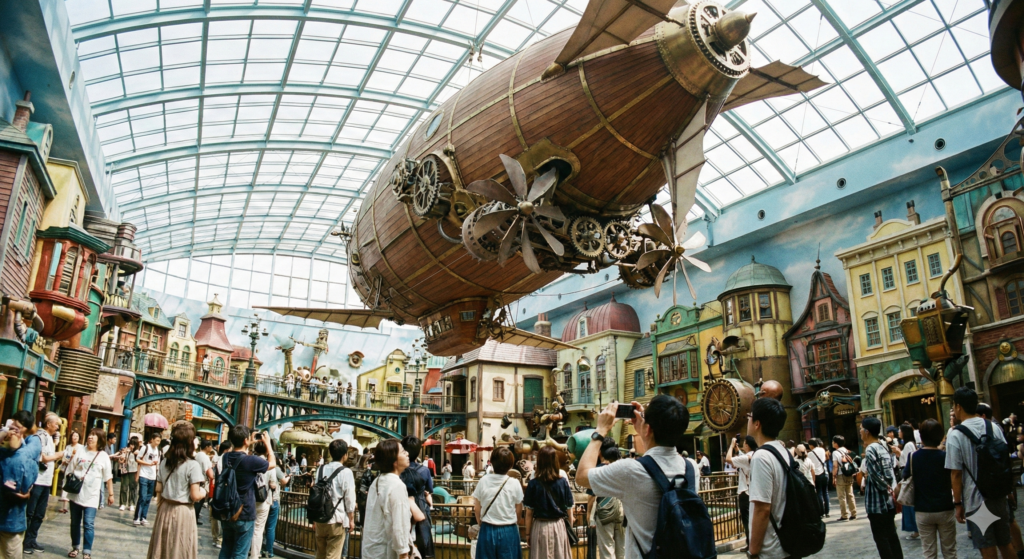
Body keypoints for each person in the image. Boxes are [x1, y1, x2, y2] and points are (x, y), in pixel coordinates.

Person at [576, 396, 690, 559]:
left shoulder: (631, 470)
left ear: (649, 429)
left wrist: (600, 431)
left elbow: (581, 476)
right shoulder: (691, 468)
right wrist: (645, 427)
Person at [947, 387, 1015, 559]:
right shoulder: (993, 427)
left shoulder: (955, 435)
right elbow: (1004, 459)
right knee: (1005, 542)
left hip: (977, 500)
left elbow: (956, 474)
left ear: (958, 406)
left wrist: (957, 504)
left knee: (987, 546)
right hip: (999, 495)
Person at [147, 423, 207, 559]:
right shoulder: (193, 465)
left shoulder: (164, 462)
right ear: (189, 442)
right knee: (180, 549)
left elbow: (158, 488)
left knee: (162, 550)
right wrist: (204, 491)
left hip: (165, 509)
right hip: (183, 512)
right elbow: (195, 495)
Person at [902, 419, 956, 559]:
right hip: (945, 507)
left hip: (923, 510)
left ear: (921, 436)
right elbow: (954, 478)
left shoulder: (913, 457)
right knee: (950, 551)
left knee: (929, 553)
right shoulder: (945, 456)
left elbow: (905, 477)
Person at [219, 428, 275, 559]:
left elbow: (239, 450)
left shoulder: (226, 457)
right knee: (240, 553)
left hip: (228, 510)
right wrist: (268, 444)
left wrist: (246, 442)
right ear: (246, 440)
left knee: (226, 550)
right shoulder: (251, 461)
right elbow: (272, 463)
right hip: (244, 512)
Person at [744, 397, 789, 559]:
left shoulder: (761, 457)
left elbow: (762, 509)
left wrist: (753, 551)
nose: (747, 420)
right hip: (786, 543)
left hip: (771, 549)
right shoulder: (783, 452)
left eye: (750, 417)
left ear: (757, 424)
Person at [0, 410, 42, 559]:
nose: (12, 433)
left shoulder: (25, 454)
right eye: (11, 428)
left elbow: (23, 487)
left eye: (17, 429)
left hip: (12, 521)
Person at [67, 428, 114, 559]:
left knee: (88, 523)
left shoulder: (103, 456)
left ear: (100, 439)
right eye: (89, 434)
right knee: (75, 522)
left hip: (92, 495)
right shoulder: (81, 451)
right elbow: (70, 469)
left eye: (94, 435)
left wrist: (110, 494)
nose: (90, 437)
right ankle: (75, 547)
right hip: (76, 493)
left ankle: (87, 551)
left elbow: (108, 477)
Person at [361, 439, 412, 559]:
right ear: (394, 460)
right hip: (386, 553)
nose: (407, 454)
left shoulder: (377, 482)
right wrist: (404, 554)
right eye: (403, 452)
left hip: (371, 552)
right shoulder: (397, 486)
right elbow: (400, 527)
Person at [861, 416, 903, 559]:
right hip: (889, 502)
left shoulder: (871, 449)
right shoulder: (883, 446)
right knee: (891, 535)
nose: (860, 431)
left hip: (878, 503)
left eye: (861, 428)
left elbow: (875, 475)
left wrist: (886, 487)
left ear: (867, 431)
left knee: (882, 539)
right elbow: (889, 471)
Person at [472, 446, 524, 559]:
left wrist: (480, 522)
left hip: (487, 528)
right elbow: (519, 509)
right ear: (510, 465)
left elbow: (477, 507)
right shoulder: (514, 483)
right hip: (509, 529)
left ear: (492, 463)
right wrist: (516, 522)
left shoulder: (483, 481)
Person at [523, 445, 574, 559]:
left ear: (539, 461)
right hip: (559, 526)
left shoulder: (533, 484)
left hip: (540, 527)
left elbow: (529, 513)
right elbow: (570, 511)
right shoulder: (563, 482)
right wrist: (569, 528)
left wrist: (527, 534)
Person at [23, 413, 61, 555]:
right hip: (38, 480)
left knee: (39, 513)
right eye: (56, 424)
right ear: (49, 424)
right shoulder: (41, 437)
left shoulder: (50, 438)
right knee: (30, 512)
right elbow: (44, 457)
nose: (57, 427)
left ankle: (32, 539)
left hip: (46, 481)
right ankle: (25, 540)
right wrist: (59, 454)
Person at [311, 439, 355, 559]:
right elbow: (349, 498)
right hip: (337, 519)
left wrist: (314, 519)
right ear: (345, 455)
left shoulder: (320, 469)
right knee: (333, 556)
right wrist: (351, 519)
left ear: (330, 453)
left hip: (320, 519)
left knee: (320, 554)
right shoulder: (346, 472)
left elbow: (316, 494)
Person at [585, 439, 624, 559]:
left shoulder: (598, 471)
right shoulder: (622, 469)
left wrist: (589, 516)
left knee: (607, 549)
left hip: (605, 512)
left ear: (600, 452)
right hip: (622, 511)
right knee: (622, 550)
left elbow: (592, 497)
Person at [400, 436, 434, 559]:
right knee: (425, 544)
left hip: (403, 507)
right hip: (420, 507)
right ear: (419, 451)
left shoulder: (399, 470)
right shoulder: (424, 471)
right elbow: (430, 490)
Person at [726, 435, 758, 552]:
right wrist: (737, 449)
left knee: (746, 519)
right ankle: (752, 543)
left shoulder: (746, 457)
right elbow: (741, 458)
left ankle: (751, 544)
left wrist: (731, 445)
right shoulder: (754, 455)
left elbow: (729, 459)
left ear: (747, 445)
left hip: (745, 491)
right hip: (753, 490)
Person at [249, 439, 276, 559]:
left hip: (250, 498)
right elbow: (273, 484)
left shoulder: (249, 461)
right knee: (258, 530)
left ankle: (246, 551)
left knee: (248, 526)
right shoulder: (269, 464)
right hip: (264, 500)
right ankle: (255, 555)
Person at [264, 455, 290, 558]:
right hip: (273, 500)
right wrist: (288, 476)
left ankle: (255, 548)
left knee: (259, 527)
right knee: (270, 528)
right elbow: (283, 481)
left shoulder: (262, 466)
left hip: (262, 500)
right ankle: (268, 551)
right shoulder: (276, 469)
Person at [135, 432, 162, 526]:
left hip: (152, 476)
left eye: (159, 441)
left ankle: (143, 517)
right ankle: (137, 517)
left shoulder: (158, 451)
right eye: (157, 440)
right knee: (142, 496)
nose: (158, 442)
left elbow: (157, 462)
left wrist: (155, 463)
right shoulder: (145, 447)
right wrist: (147, 464)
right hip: (144, 474)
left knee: (148, 498)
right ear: (152, 439)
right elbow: (138, 459)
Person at [898, 423, 919, 539]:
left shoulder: (908, 445)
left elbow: (909, 460)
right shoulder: (907, 445)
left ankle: (916, 529)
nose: (898, 432)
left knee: (909, 502)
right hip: (906, 474)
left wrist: (899, 453)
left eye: (900, 430)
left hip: (909, 476)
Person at [832, 435, 858, 521]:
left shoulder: (835, 453)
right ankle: (853, 513)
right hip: (849, 475)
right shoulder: (847, 450)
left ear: (836, 443)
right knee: (850, 495)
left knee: (841, 496)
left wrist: (833, 476)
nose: (832, 443)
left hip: (840, 475)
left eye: (833, 442)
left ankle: (844, 514)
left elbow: (835, 466)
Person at [807, 438, 829, 518]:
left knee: (819, 493)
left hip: (816, 474)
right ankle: (827, 512)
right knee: (825, 493)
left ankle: (821, 512)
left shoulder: (810, 454)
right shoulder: (822, 450)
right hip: (825, 473)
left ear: (811, 445)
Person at [195, 440, 215, 526]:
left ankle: (194, 517)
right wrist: (213, 477)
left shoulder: (197, 455)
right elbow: (209, 472)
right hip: (202, 481)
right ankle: (195, 518)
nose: (211, 448)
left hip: (195, 480)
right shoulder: (205, 457)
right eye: (210, 446)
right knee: (199, 502)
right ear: (207, 447)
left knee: (196, 501)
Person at [117, 437, 140, 511]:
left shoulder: (138, 452)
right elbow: (120, 460)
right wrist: (123, 455)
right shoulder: (125, 450)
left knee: (133, 488)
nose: (132, 446)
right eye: (131, 444)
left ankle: (132, 504)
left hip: (134, 471)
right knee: (124, 487)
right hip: (125, 470)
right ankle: (123, 503)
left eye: (133, 444)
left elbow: (140, 462)